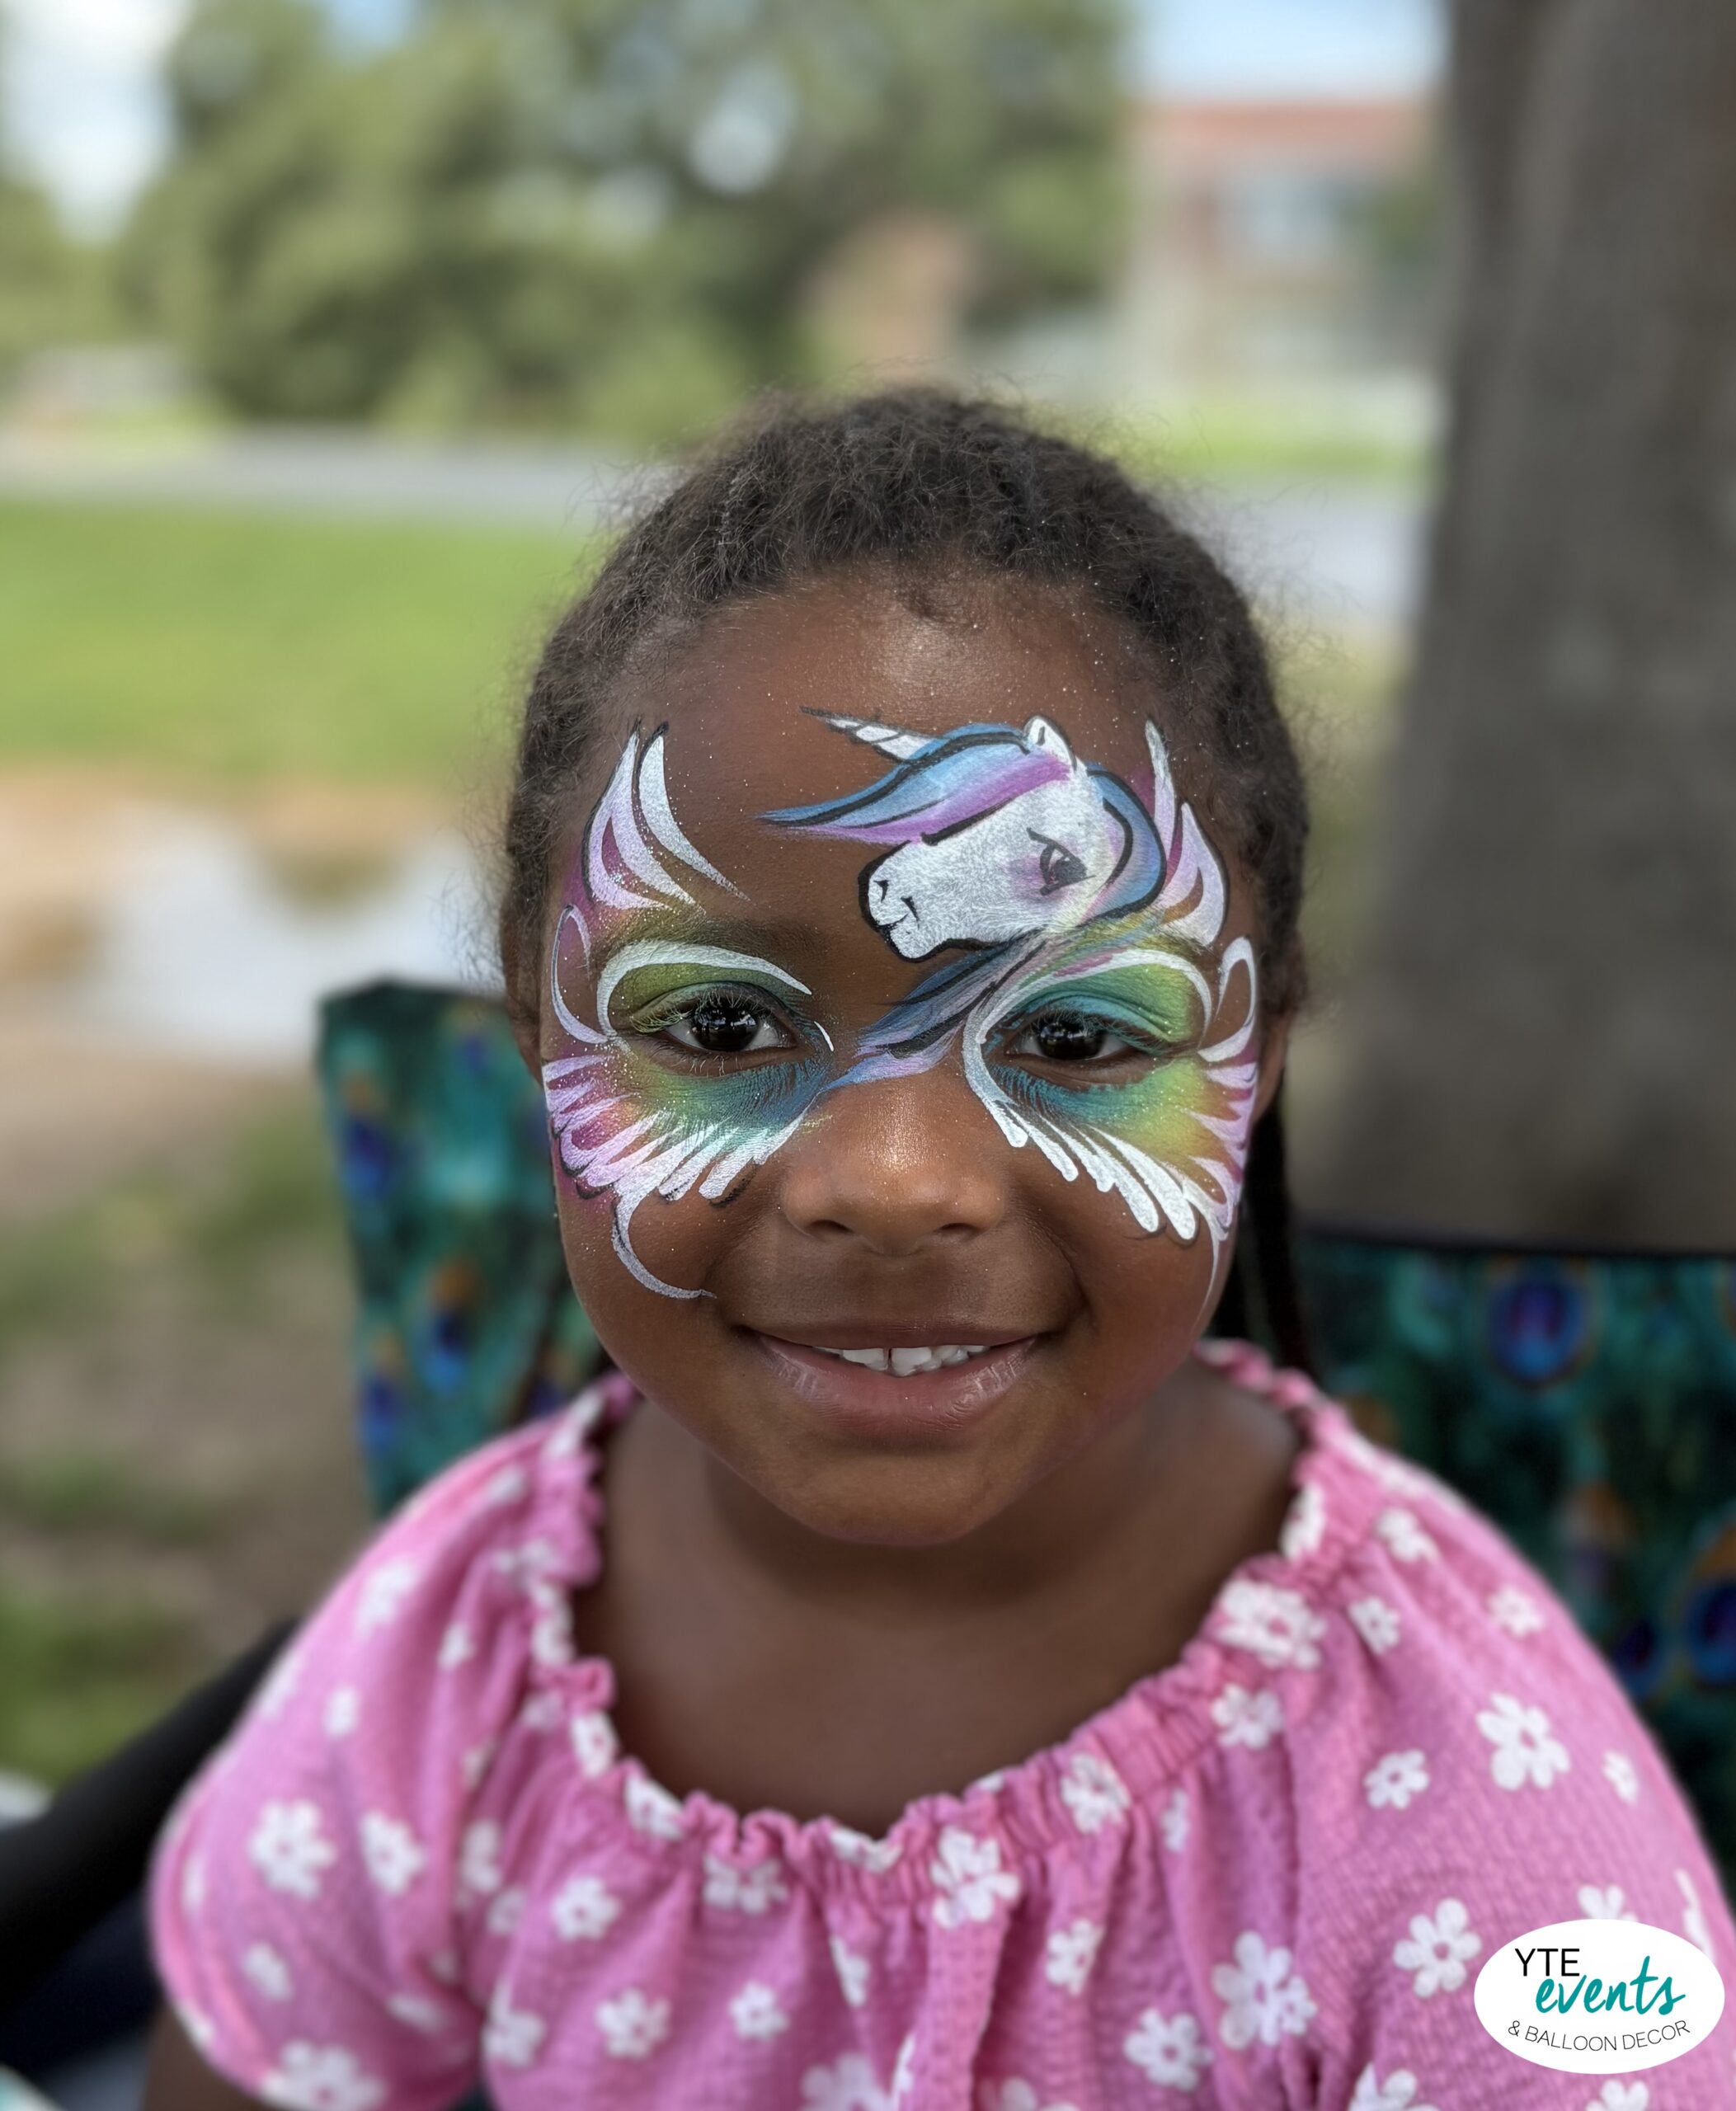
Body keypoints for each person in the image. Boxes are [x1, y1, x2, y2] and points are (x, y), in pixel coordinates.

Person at [143, 393, 1736, 2109]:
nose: (897, 1185)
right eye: (725, 1017)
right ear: (540, 1037)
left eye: (1078, 1037)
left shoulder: (1476, 1819)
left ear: (1257, 1056)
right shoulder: (450, 1663)